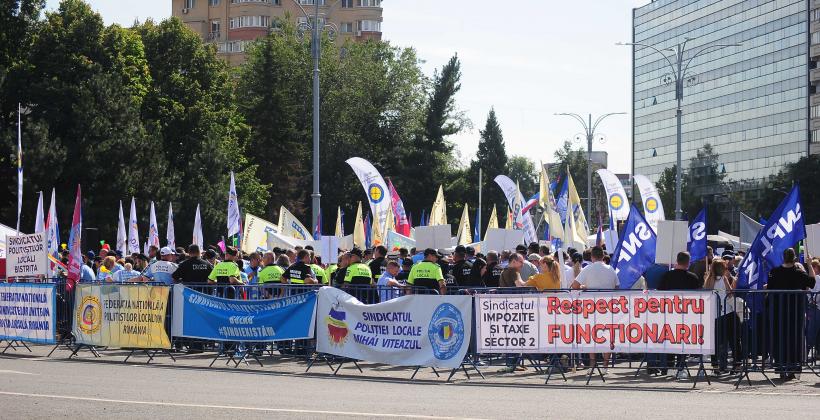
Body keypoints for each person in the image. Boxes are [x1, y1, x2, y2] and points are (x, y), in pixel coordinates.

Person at [766, 248, 816, 380]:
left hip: (779, 311)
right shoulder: (798, 272)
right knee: (794, 339)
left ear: (783, 257)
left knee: (780, 338)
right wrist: (809, 264)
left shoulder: (774, 272)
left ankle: (781, 366)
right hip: (795, 312)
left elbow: (769, 289)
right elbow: (812, 282)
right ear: (794, 258)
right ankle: (793, 368)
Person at [571, 246, 618, 372]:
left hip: (591, 307)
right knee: (608, 335)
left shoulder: (588, 269)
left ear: (592, 257)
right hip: (608, 307)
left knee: (591, 335)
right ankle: (605, 366)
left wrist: (585, 287)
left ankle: (592, 365)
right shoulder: (611, 269)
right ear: (603, 256)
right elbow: (617, 287)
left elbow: (574, 286)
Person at [658, 251, 702, 379]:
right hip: (686, 314)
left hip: (669, 312)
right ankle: (680, 366)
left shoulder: (667, 275)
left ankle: (670, 367)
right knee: (683, 340)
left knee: (670, 339)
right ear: (688, 262)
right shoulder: (693, 277)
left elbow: (659, 293)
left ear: (677, 260)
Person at [703, 259, 741, 374]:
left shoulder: (708, 280)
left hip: (714, 314)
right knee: (733, 339)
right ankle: (737, 364)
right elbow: (730, 293)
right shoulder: (723, 279)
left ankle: (715, 366)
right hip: (727, 312)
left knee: (716, 341)